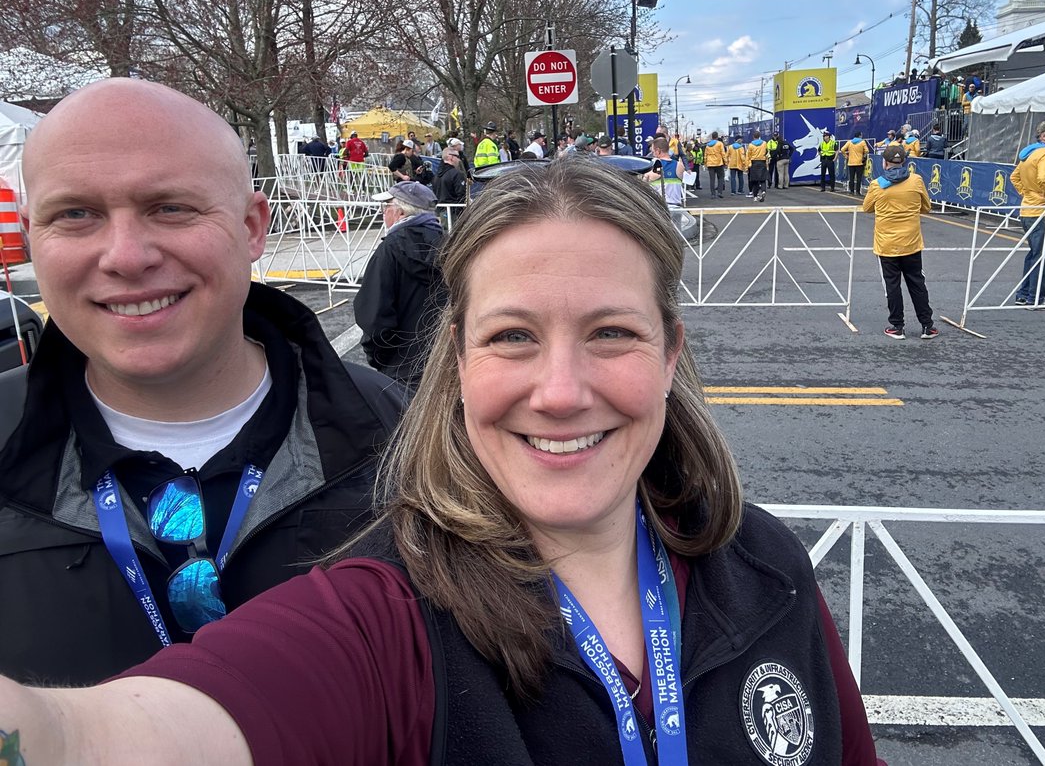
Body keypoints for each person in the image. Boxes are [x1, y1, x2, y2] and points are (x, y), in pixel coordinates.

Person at [0, 156, 882, 766]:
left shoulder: (766, 565)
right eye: (513, 338)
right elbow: (107, 737)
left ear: (670, 352)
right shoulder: (380, 618)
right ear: (458, 360)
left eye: (611, 333)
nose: (562, 390)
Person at [0, 79, 403, 686]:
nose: (126, 256)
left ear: (251, 228)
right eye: (76, 215)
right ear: (32, 238)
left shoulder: (400, 433)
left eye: (170, 207)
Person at [354, 181, 448, 405]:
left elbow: (374, 315)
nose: (384, 213)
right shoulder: (449, 246)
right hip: (444, 362)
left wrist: (381, 358)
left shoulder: (390, 250)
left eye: (386, 207)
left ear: (400, 212)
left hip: (401, 368)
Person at [863, 145, 937, 340]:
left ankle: (897, 326)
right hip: (911, 241)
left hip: (886, 243)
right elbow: (927, 207)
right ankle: (927, 326)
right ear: (904, 161)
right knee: (917, 282)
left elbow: (867, 207)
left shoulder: (877, 184)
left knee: (892, 285)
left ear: (884, 163)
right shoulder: (916, 180)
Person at [1010, 119, 1045, 306]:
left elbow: (1014, 176)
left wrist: (1027, 193)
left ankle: (1024, 294)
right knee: (1042, 255)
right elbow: (1044, 177)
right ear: (1043, 135)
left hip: (1028, 208)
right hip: (1042, 210)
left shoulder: (1030, 153)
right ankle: (1036, 297)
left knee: (1034, 254)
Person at [644, 135, 684, 206]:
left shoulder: (654, 165)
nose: (652, 154)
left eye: (653, 152)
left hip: (659, 207)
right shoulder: (679, 166)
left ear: (658, 151)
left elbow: (645, 181)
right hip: (676, 205)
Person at [840, 130, 870, 196]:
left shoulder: (849, 142)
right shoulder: (862, 142)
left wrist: (846, 156)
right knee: (859, 178)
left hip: (851, 162)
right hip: (859, 163)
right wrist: (864, 156)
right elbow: (867, 150)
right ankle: (858, 192)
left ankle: (851, 191)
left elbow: (842, 149)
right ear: (860, 136)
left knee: (851, 178)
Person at [746, 129, 770, 202]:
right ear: (759, 136)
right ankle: (763, 191)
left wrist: (747, 165)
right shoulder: (764, 143)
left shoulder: (750, 145)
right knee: (763, 179)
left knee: (755, 181)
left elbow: (748, 156)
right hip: (762, 162)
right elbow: (767, 152)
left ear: (753, 137)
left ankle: (755, 196)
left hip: (754, 163)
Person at [702, 129, 727, 199]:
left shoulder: (708, 145)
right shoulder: (720, 144)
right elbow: (723, 154)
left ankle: (713, 193)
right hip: (719, 163)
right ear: (717, 137)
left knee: (712, 179)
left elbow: (705, 155)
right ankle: (720, 192)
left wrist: (705, 163)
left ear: (712, 137)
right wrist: (726, 162)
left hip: (710, 163)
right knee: (721, 177)